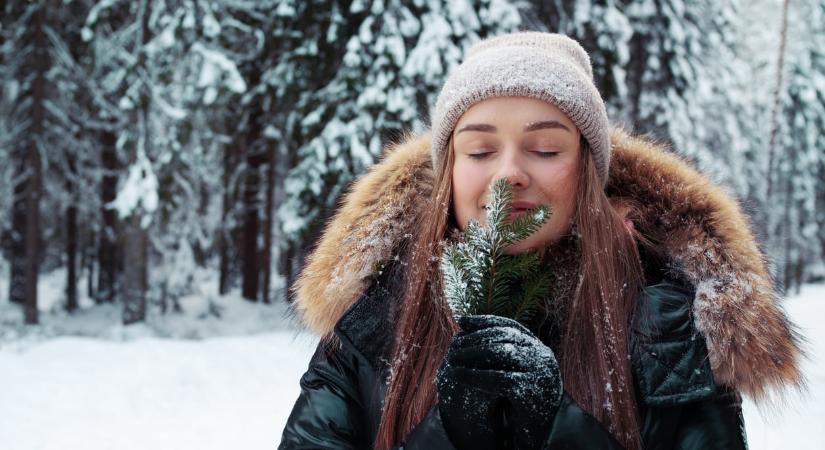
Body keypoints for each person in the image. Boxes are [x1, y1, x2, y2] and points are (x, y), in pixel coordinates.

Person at [278, 32, 803, 450]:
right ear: (449, 173)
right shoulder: (374, 318)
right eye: (479, 151)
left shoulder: (667, 324)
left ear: (588, 173)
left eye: (546, 149)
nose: (509, 174)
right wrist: (445, 435)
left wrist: (564, 429)